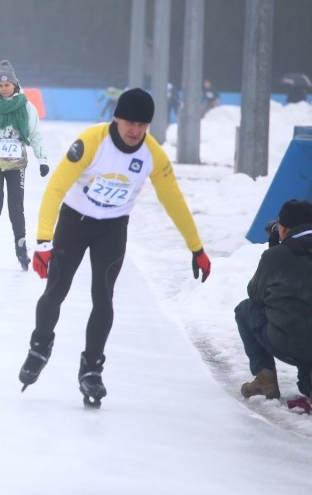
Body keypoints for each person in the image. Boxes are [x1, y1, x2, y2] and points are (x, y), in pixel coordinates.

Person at [17, 87, 212, 407]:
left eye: (143, 126)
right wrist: (43, 241)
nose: (136, 131)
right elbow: (56, 188)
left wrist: (197, 248)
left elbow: (173, 199)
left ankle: (91, 369)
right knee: (56, 291)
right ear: (117, 119)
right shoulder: (92, 142)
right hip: (74, 223)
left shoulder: (152, 154)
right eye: (129, 124)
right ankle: (40, 346)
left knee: (103, 297)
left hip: (112, 228)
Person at [235, 199, 312, 403]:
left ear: (283, 228)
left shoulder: (276, 255)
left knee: (244, 309)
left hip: (285, 341)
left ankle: (264, 379)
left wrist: (273, 250)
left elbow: (255, 295)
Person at [0, 60, 50, 271]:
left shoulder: (27, 107)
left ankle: (21, 246)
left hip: (16, 162)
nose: (3, 88)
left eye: (7, 85)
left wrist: (42, 160)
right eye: (0, 86)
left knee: (16, 206)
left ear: (15, 84)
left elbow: (35, 134)